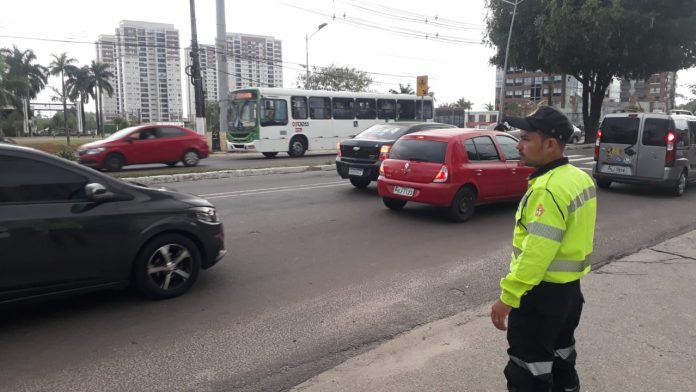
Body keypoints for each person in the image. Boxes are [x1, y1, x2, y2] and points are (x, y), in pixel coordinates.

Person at [490, 106, 597, 392]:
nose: (518, 145)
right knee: (562, 358)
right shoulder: (578, 178)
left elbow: (537, 252)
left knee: (529, 371)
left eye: (526, 138)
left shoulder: (546, 189)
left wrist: (509, 297)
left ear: (550, 144)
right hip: (569, 294)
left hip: (540, 298)